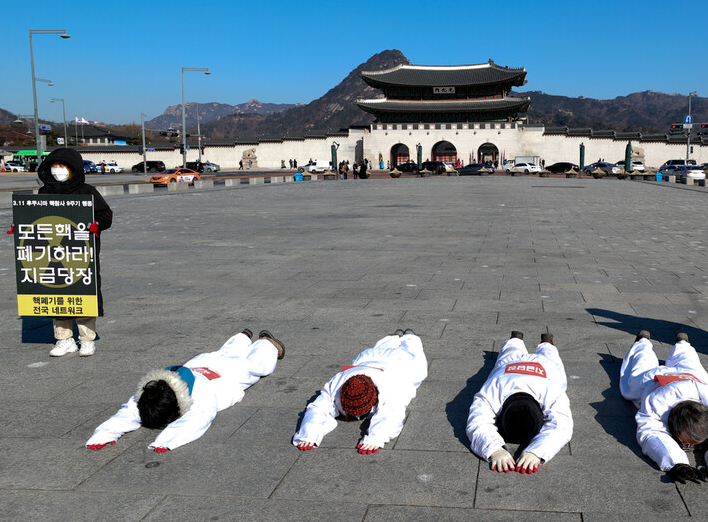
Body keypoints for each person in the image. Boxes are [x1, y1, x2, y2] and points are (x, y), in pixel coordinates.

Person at [85, 329, 285, 452]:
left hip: (227, 376)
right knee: (220, 355)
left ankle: (266, 344)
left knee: (255, 366)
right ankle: (241, 338)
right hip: (201, 364)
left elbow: (199, 418)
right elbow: (131, 410)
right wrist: (104, 434)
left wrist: (167, 441)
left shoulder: (200, 395)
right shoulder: (155, 389)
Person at [619, 330, 708, 484]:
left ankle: (683, 344)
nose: (691, 447)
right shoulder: (657, 403)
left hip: (692, 377)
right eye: (688, 443)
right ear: (671, 420)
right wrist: (676, 463)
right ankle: (642, 342)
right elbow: (650, 432)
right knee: (640, 365)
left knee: (689, 361)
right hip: (652, 379)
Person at [293, 330, 427, 454]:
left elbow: (392, 414)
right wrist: (308, 434)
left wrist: (376, 438)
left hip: (400, 363)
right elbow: (318, 408)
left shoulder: (391, 388)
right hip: (367, 359)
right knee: (381, 348)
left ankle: (409, 336)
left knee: (413, 352)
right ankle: (394, 337)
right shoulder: (337, 385)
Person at [36, 148, 113, 358]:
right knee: (56, 293)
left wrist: (97, 224)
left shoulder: (87, 191)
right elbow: (34, 218)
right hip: (51, 253)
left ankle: (86, 339)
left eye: (62, 166)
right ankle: (64, 339)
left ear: (73, 169)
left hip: (80, 253)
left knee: (83, 292)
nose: (58, 170)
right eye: (54, 166)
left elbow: (106, 215)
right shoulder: (44, 192)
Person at [466, 332, 573, 474]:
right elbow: (561, 427)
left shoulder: (552, 392)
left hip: (529, 366)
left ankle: (526, 341)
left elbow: (478, 422)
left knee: (545, 357)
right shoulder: (494, 389)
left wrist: (534, 452)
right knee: (514, 354)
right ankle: (542, 343)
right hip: (526, 366)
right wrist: (496, 450)